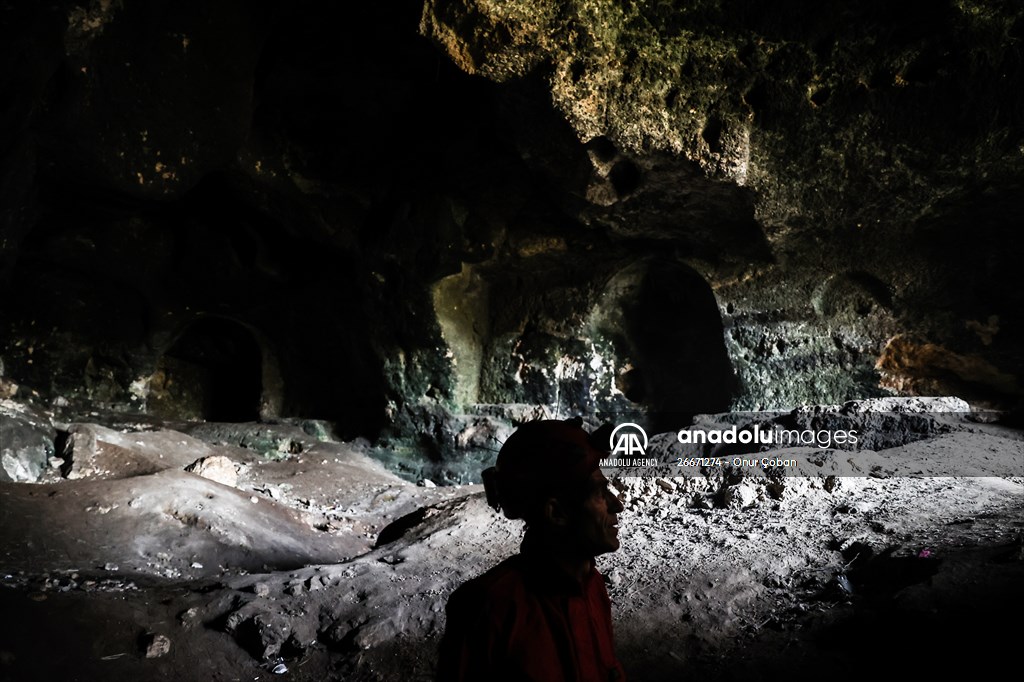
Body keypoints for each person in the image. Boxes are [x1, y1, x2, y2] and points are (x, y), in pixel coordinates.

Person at [436, 418, 627, 681]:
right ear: (556, 513)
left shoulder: (592, 585)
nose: (617, 505)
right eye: (599, 493)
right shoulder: (488, 610)